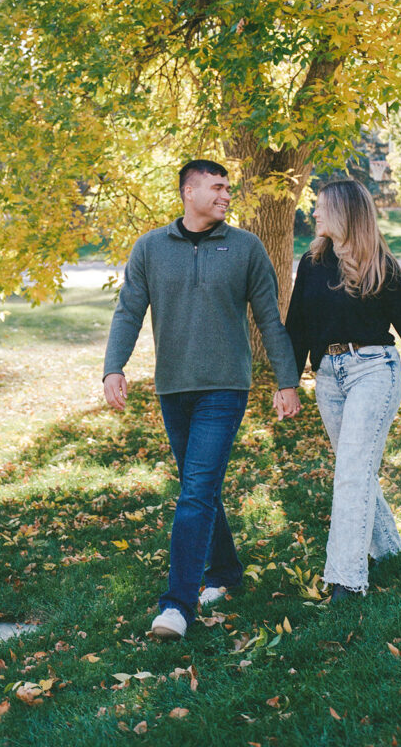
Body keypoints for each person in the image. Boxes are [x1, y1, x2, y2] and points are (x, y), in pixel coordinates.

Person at [103, 159, 301, 639]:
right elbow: (129, 309)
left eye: (228, 188)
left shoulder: (246, 248)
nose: (226, 195)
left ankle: (177, 605)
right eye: (217, 187)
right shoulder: (150, 247)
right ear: (188, 192)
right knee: (202, 487)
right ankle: (225, 572)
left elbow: (269, 319)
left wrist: (286, 379)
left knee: (193, 491)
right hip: (173, 387)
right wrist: (114, 366)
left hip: (225, 386)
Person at [278, 178, 401, 601]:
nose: (315, 213)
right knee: (356, 471)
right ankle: (390, 550)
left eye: (321, 207)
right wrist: (287, 383)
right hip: (328, 378)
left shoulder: (381, 265)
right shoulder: (311, 263)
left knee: (351, 474)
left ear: (343, 212)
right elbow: (296, 328)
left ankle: (346, 579)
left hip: (373, 371)